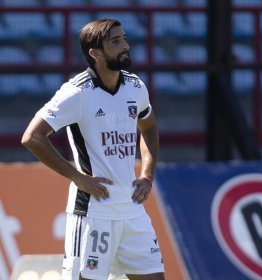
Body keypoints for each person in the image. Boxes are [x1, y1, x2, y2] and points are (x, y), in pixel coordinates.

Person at [21, 19, 164, 280]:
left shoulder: (135, 86)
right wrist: (77, 176)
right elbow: (32, 137)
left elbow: (149, 128)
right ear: (95, 53)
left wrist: (147, 176)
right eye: (116, 41)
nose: (126, 46)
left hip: (132, 209)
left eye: (124, 38)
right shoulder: (76, 92)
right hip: (93, 212)